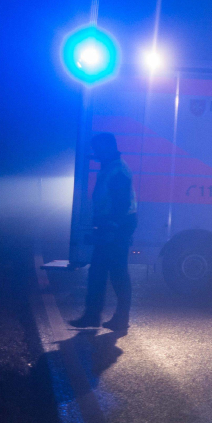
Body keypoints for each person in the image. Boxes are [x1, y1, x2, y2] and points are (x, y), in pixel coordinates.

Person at [70, 133, 137, 333]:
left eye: (97, 149)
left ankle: (119, 318)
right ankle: (94, 315)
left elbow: (121, 204)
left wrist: (112, 228)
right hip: (112, 225)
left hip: (115, 226)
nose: (95, 153)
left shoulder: (116, 169)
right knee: (98, 271)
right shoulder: (111, 167)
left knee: (117, 273)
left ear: (106, 148)